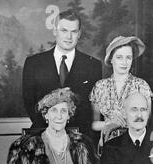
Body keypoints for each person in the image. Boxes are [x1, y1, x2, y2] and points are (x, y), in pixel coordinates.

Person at [22, 9, 102, 138]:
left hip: (81, 137)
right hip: (43, 136)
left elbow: (93, 107)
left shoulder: (93, 65)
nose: (69, 37)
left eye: (73, 31)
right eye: (64, 30)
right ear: (55, 31)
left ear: (79, 34)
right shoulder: (33, 63)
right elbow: (30, 103)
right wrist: (52, 132)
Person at [90, 35, 153, 152]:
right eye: (119, 57)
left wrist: (121, 123)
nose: (124, 62)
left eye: (128, 57)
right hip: (107, 147)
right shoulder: (100, 87)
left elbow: (146, 120)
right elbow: (94, 124)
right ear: (111, 59)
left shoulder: (141, 86)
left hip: (136, 147)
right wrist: (110, 124)